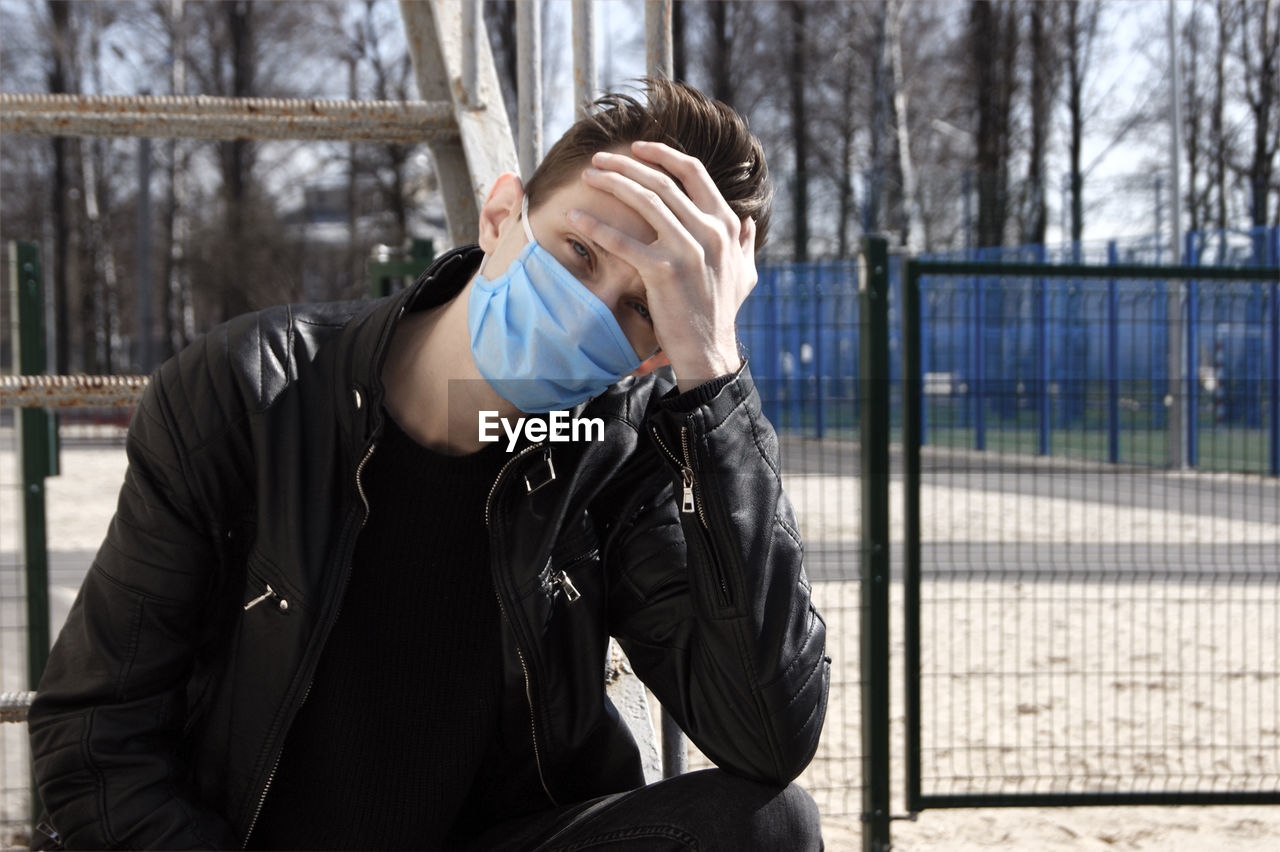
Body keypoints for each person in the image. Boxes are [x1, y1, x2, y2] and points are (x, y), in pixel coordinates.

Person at [28, 78, 829, 850]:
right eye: (577, 252)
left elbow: (763, 736)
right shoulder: (249, 396)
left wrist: (716, 379)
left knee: (768, 825)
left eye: (641, 307)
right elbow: (94, 737)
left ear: (657, 357)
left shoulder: (617, 452)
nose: (588, 306)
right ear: (501, 213)